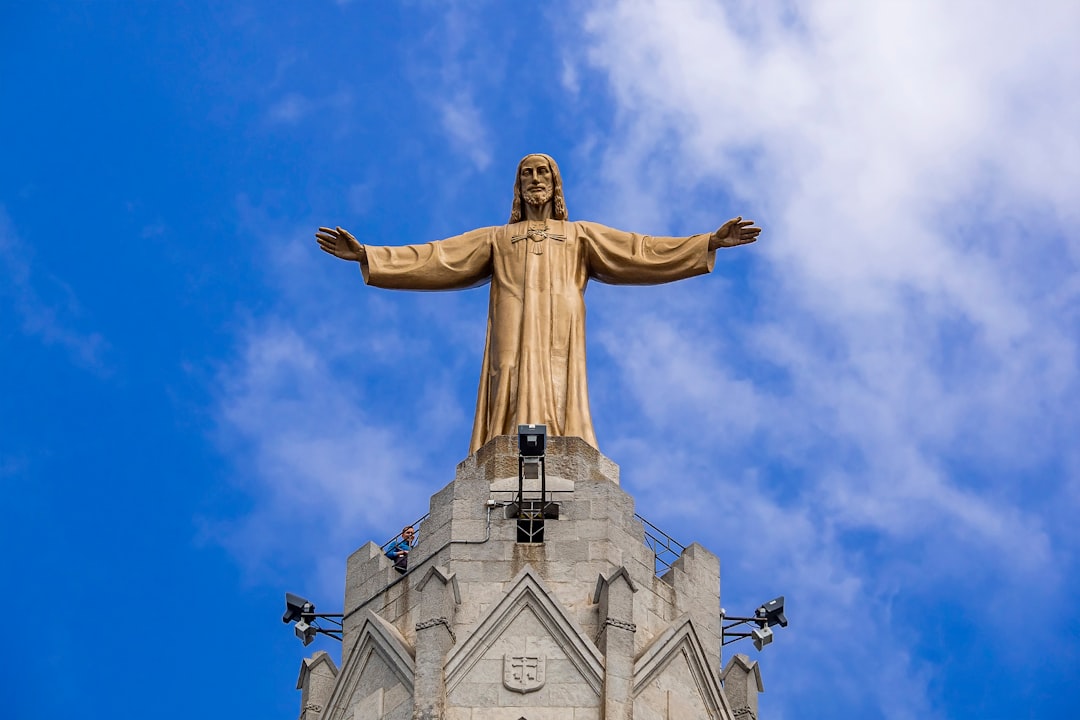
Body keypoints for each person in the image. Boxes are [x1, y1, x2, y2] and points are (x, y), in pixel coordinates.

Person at [316, 153, 760, 454]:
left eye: (542, 173)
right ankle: (502, 440)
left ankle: (565, 440)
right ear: (518, 186)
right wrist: (369, 255)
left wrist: (707, 242)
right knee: (507, 370)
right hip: (512, 316)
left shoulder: (579, 234)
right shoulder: (498, 238)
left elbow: (639, 250)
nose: (535, 180)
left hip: (561, 321)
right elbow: (438, 257)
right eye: (527, 174)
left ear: (555, 182)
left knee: (559, 376)